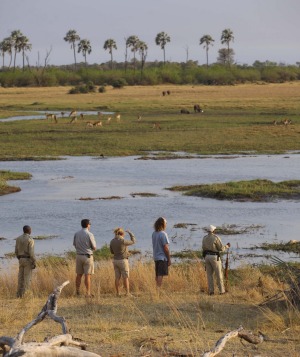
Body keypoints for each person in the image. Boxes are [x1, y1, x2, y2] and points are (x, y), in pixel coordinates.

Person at [202, 225, 230, 295]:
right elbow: (221, 248)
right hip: (214, 257)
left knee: (209, 275)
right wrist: (227, 246)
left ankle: (211, 291)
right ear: (214, 231)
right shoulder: (216, 238)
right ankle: (222, 291)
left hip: (207, 257)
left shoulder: (204, 238)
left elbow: (203, 247)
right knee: (219, 274)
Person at [109, 227, 136, 297]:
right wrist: (131, 233)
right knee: (125, 277)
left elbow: (112, 252)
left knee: (117, 277)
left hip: (115, 260)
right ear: (122, 234)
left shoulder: (112, 241)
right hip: (123, 260)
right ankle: (127, 293)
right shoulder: (122, 241)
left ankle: (118, 293)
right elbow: (133, 241)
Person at [73, 219, 96, 297]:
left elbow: (74, 244)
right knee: (87, 275)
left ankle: (77, 291)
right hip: (87, 256)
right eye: (89, 224)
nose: (90, 226)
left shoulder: (76, 234)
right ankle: (88, 293)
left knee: (78, 275)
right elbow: (94, 247)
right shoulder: (90, 234)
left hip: (79, 255)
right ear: (87, 225)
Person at [15, 225, 36, 298]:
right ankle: (26, 295)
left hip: (20, 259)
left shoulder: (18, 238)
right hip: (27, 259)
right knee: (27, 278)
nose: (31, 231)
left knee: (20, 277)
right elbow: (31, 253)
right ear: (29, 230)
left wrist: (19, 258)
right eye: (30, 230)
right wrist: (34, 261)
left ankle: (19, 294)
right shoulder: (30, 239)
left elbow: (16, 251)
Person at [152, 217, 171, 287]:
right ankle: (158, 289)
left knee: (157, 274)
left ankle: (157, 288)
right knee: (160, 274)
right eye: (166, 223)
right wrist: (169, 259)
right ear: (163, 224)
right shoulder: (163, 234)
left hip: (156, 256)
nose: (166, 224)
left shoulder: (154, 233)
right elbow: (165, 248)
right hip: (162, 257)